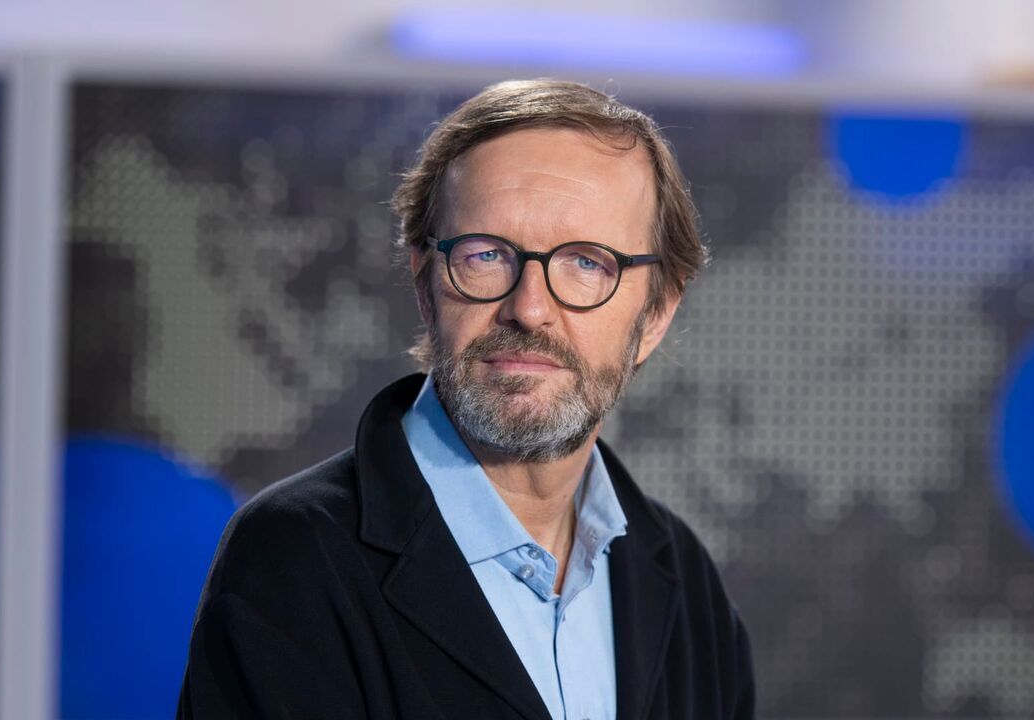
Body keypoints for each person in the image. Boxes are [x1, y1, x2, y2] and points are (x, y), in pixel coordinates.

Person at [177, 78, 755, 720]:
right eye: (486, 254)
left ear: (656, 314)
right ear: (424, 281)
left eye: (587, 263)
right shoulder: (293, 561)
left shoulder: (688, 585)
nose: (529, 308)